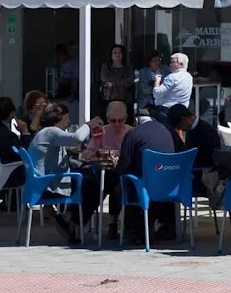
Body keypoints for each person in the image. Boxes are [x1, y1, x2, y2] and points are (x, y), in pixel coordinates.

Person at [27, 102, 105, 243]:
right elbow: (76, 139)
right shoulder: (52, 132)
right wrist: (89, 124)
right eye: (67, 118)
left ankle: (69, 219)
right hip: (48, 185)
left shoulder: (43, 132)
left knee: (87, 178)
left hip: (40, 182)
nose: (69, 122)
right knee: (95, 184)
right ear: (58, 118)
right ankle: (70, 220)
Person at [115, 108, 178, 243]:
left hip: (146, 188)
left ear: (137, 121)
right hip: (172, 187)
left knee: (121, 186)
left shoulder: (133, 134)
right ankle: (166, 225)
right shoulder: (167, 131)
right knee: (155, 181)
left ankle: (136, 230)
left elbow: (123, 168)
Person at [151, 52, 193, 124]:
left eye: (173, 62)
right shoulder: (189, 77)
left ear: (181, 64)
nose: (170, 65)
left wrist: (157, 82)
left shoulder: (172, 77)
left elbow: (157, 93)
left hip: (166, 111)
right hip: (181, 111)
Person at [99, 44, 134, 115]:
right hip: (109, 98)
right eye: (115, 52)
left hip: (125, 99)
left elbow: (129, 81)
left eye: (119, 52)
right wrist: (121, 82)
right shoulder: (105, 66)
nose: (117, 54)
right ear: (111, 55)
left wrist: (113, 84)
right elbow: (105, 78)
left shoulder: (128, 67)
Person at [136, 51, 166, 117]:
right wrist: (157, 85)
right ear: (149, 62)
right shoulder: (143, 72)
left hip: (161, 103)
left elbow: (167, 89)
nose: (157, 63)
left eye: (159, 60)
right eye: (155, 61)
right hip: (145, 104)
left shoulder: (165, 71)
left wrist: (152, 84)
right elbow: (144, 90)